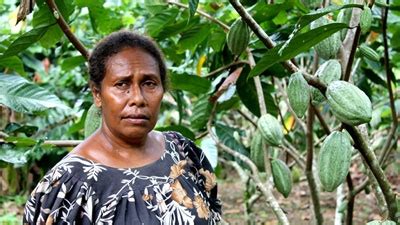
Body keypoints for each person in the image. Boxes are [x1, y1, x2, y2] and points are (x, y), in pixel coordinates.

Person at [23, 30, 221, 224]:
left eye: (149, 83)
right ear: (97, 94)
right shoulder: (67, 186)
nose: (137, 98)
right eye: (121, 84)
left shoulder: (182, 151)